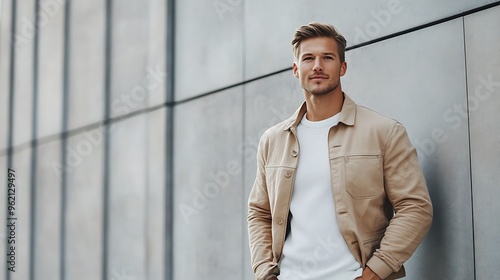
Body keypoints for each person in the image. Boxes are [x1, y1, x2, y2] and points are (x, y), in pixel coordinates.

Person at [247, 22, 433, 280]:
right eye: (308, 58)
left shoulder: (384, 131)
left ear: (343, 67)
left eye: (328, 57)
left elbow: (415, 207)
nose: (317, 66)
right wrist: (265, 272)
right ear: (295, 69)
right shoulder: (273, 140)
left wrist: (374, 273)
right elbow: (259, 212)